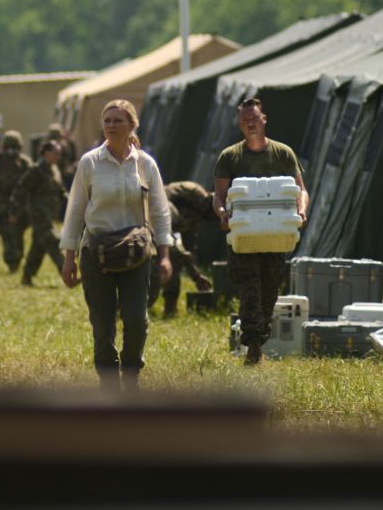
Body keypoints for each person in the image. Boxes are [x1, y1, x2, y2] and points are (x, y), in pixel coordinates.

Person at [60, 100, 173, 390]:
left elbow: (160, 211)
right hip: (96, 254)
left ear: (132, 126)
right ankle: (109, 381)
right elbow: (75, 210)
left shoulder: (145, 164)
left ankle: (131, 374)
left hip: (136, 254)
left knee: (136, 319)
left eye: (117, 121)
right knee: (102, 323)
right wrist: (69, 258)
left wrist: (164, 255)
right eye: (107, 120)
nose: (110, 126)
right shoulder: (90, 162)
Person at [213, 98, 309, 365]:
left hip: (276, 236)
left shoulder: (282, 153)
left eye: (254, 118)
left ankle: (259, 336)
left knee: (270, 290)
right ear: (239, 124)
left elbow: (301, 189)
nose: (250, 123)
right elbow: (218, 196)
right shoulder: (230, 156)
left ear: (264, 119)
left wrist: (301, 210)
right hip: (244, 237)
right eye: (245, 120)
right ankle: (253, 345)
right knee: (249, 288)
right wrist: (222, 214)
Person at [148, 181, 216, 317]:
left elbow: (185, 252)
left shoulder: (193, 220)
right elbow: (163, 196)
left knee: (175, 261)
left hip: (166, 231)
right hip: (156, 218)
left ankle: (170, 307)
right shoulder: (195, 192)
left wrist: (196, 275)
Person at [15, 139, 66, 286]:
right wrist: (15, 210)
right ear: (46, 153)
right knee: (52, 241)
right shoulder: (36, 170)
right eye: (55, 153)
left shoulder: (55, 170)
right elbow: (21, 188)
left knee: (39, 246)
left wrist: (69, 200)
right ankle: (66, 273)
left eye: (59, 153)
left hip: (50, 213)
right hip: (38, 214)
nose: (58, 156)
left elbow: (60, 189)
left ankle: (27, 276)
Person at [0, 130, 32, 273]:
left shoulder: (7, 161)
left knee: (12, 235)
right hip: (12, 205)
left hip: (13, 205)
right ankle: (14, 261)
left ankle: (14, 260)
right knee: (12, 234)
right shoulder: (18, 161)